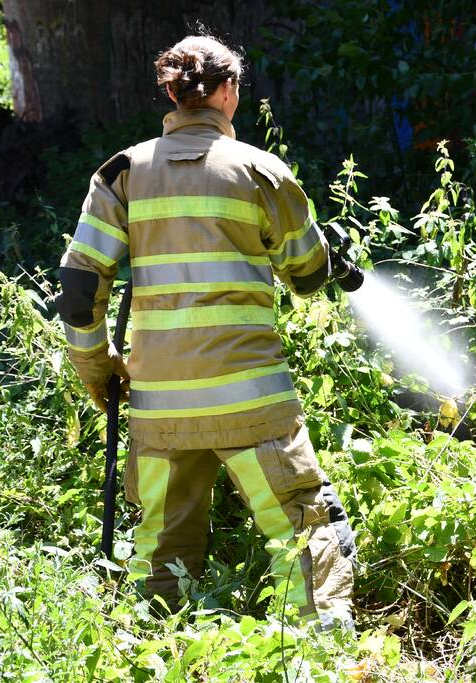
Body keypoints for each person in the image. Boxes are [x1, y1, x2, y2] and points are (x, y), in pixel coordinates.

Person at [53, 35, 356, 629]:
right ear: (228, 91)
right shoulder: (261, 170)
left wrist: (98, 369)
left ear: (172, 94)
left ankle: (154, 651)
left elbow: (80, 285)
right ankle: (323, 650)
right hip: (252, 405)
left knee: (160, 559)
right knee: (304, 529)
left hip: (161, 408)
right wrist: (327, 257)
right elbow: (305, 275)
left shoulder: (121, 173)